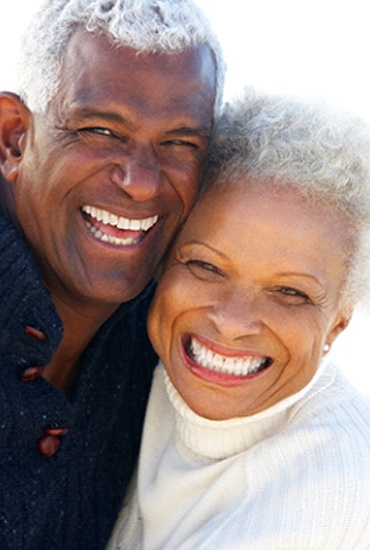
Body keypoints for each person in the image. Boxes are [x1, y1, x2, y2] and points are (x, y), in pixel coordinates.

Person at [0, 1, 224, 548]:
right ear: (13, 137)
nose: (142, 182)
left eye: (179, 143)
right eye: (101, 130)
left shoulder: (179, 332)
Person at [108, 89, 370, 549]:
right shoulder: (121, 362)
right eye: (206, 267)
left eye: (290, 293)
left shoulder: (338, 490)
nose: (232, 322)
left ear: (337, 325)